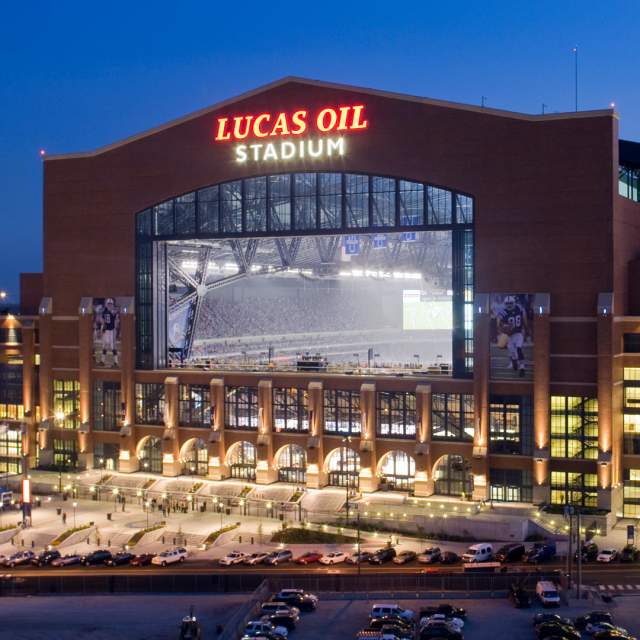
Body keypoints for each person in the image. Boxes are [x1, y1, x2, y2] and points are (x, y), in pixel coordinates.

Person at [496, 295, 529, 377]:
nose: (509, 305)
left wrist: (526, 329)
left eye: (511, 303)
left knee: (519, 349)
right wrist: (503, 327)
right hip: (509, 335)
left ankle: (522, 367)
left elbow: (524, 319)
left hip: (518, 333)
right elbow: (498, 323)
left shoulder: (519, 309)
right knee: (512, 353)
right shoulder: (503, 312)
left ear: (514, 303)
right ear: (505, 304)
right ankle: (514, 361)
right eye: (507, 303)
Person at [97, 298, 120, 367]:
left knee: (113, 347)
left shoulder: (113, 312)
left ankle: (116, 362)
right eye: (108, 304)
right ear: (106, 305)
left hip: (112, 330)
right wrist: (103, 328)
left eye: (111, 304)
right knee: (104, 346)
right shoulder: (105, 311)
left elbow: (116, 321)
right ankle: (102, 361)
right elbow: (102, 320)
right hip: (106, 330)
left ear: (112, 305)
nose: (110, 305)